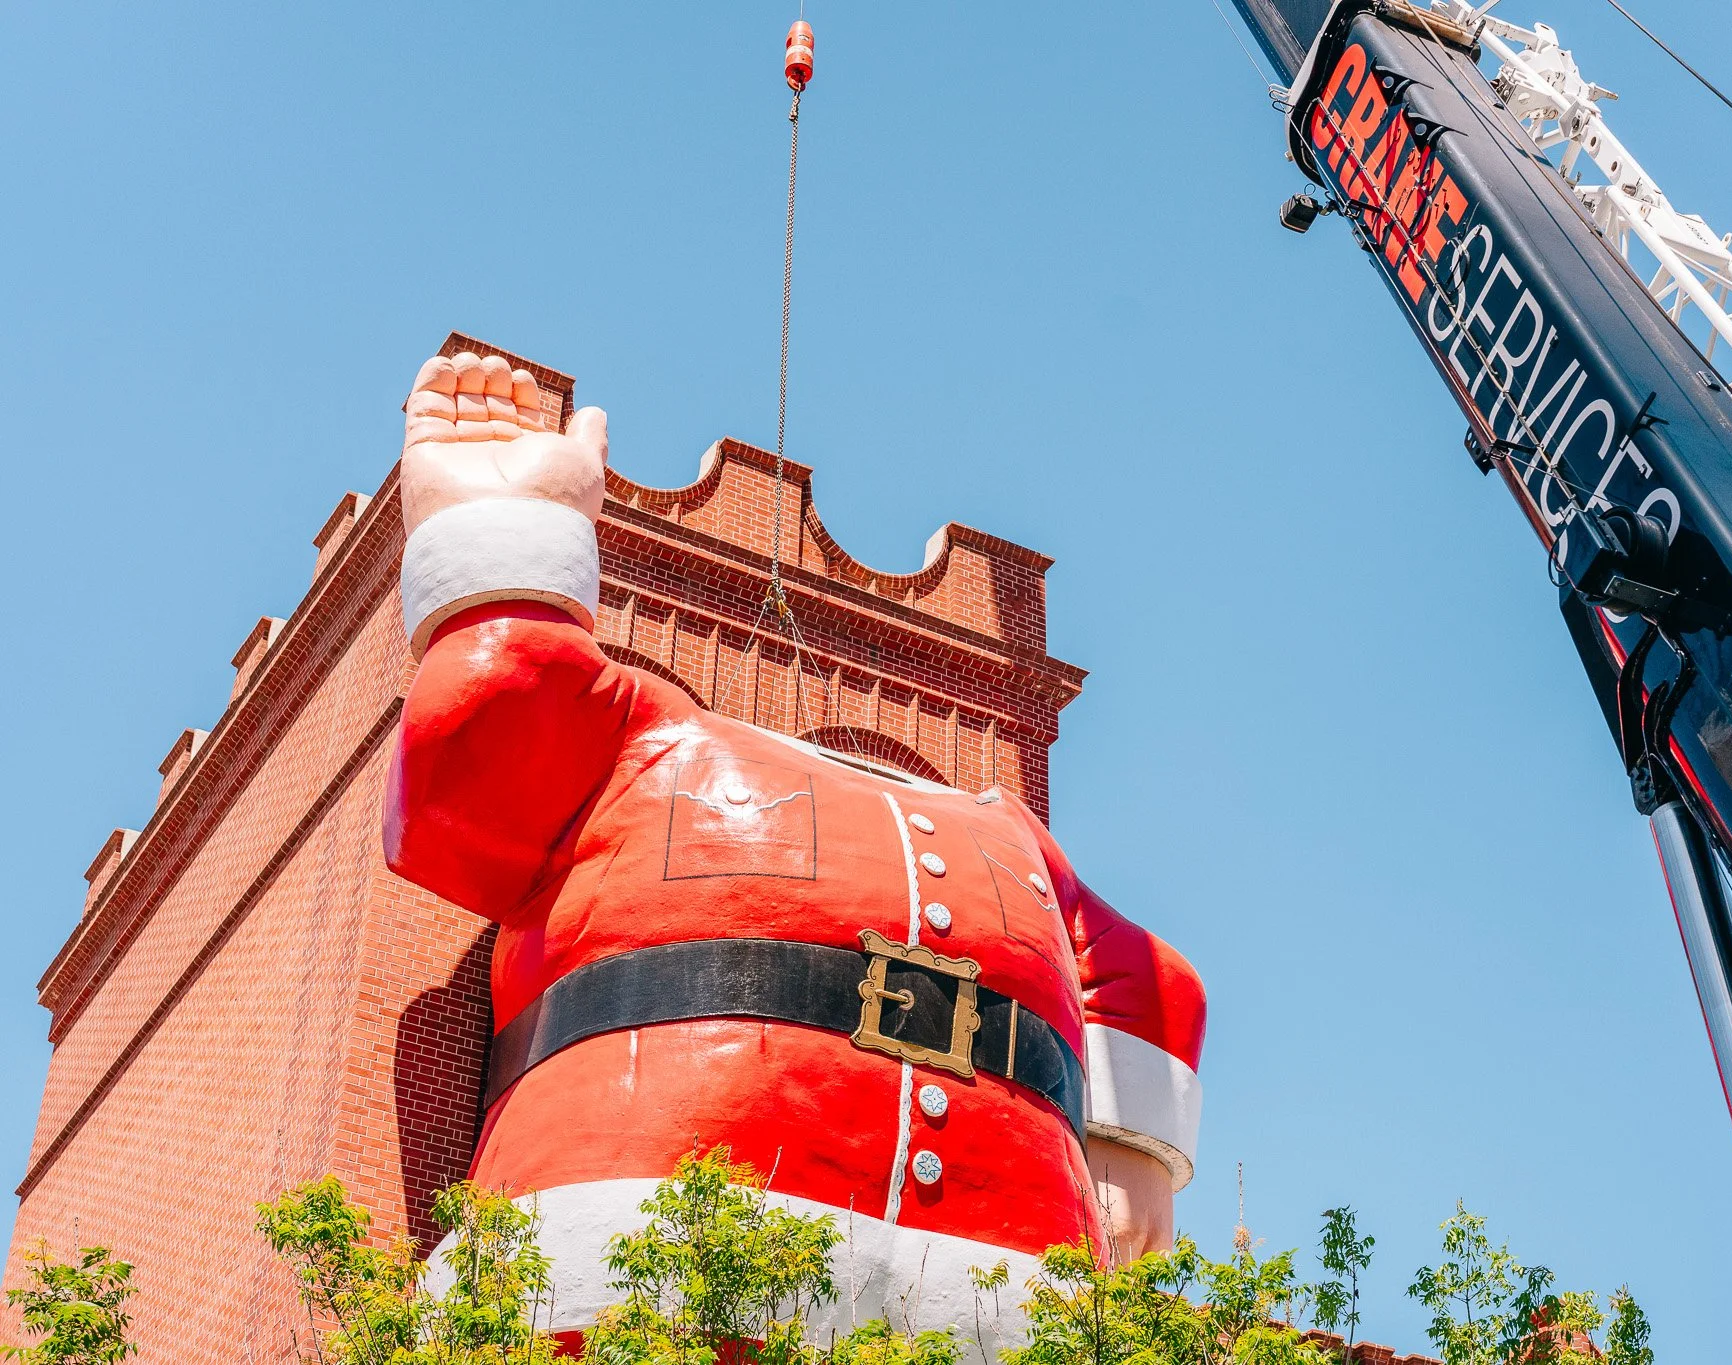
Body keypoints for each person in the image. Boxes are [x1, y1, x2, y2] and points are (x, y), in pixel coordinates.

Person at [384, 350, 1207, 1341]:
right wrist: (503, 536)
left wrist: (1120, 1143)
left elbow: (1147, 975)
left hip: (999, 1277)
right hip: (654, 1242)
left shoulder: (1021, 843)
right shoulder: (635, 740)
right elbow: (478, 750)